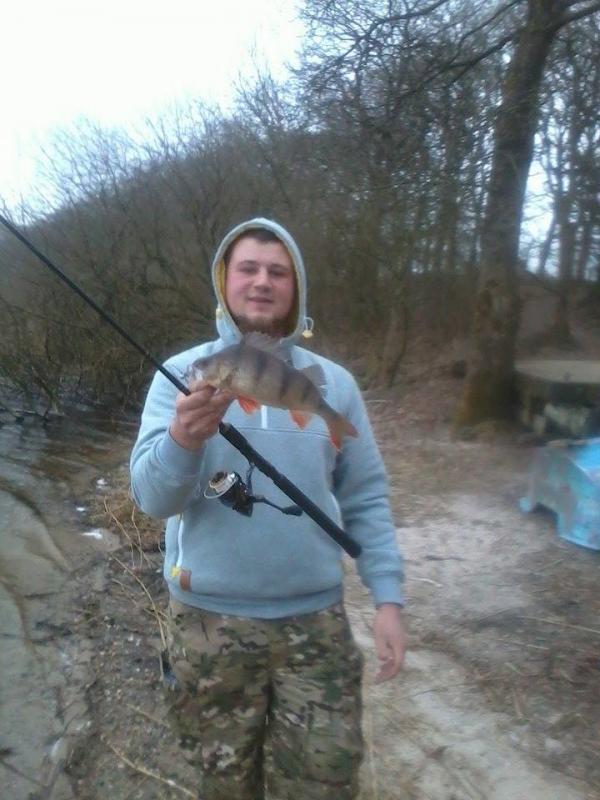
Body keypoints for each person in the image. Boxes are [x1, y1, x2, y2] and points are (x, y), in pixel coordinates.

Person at [130, 218, 406, 800]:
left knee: (323, 783)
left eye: (277, 272)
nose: (262, 281)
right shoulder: (179, 376)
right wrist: (182, 440)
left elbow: (366, 497)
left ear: (296, 287)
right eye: (248, 269)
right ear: (224, 281)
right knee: (223, 785)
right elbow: (152, 500)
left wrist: (388, 598)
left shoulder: (334, 385)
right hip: (207, 625)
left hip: (317, 624)